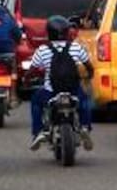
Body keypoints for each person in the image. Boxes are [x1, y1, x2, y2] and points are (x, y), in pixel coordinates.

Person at [28, 15, 93, 151]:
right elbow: (88, 65)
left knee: (35, 102)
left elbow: (32, 70)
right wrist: (89, 76)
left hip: (50, 91)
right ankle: (85, 127)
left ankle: (38, 131)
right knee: (85, 101)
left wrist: (27, 79)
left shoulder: (43, 50)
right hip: (73, 90)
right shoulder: (76, 47)